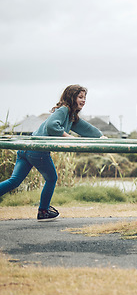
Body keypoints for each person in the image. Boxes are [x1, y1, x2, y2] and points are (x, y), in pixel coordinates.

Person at [0, 85, 105, 221]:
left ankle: (43, 210)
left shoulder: (70, 116)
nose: (83, 100)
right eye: (80, 97)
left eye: (84, 98)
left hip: (25, 149)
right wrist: (69, 137)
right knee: (51, 178)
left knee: (14, 181)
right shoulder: (64, 110)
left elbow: (86, 128)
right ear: (71, 97)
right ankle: (43, 211)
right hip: (38, 150)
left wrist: (100, 136)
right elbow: (51, 125)